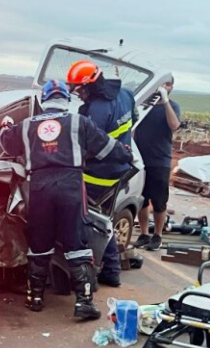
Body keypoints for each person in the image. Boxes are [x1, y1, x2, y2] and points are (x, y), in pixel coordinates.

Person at [0, 79, 133, 320]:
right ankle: (83, 303)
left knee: (39, 243)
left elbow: (6, 143)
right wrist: (125, 153)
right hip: (70, 185)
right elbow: (106, 148)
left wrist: (5, 125)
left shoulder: (27, 124)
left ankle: (35, 298)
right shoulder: (79, 122)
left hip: (39, 187)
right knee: (76, 242)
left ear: (44, 99)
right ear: (66, 100)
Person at [66, 60, 138, 287]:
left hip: (96, 175)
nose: (78, 94)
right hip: (119, 171)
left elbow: (86, 145)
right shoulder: (126, 94)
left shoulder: (97, 110)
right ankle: (112, 271)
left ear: (90, 85)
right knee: (104, 219)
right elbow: (133, 121)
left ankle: (93, 272)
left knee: (89, 221)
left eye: (79, 89)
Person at [133, 77, 181, 251]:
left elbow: (174, 125)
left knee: (159, 202)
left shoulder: (173, 106)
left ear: (171, 88)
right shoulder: (145, 106)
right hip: (141, 160)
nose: (164, 87)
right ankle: (144, 234)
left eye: (167, 85)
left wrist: (165, 100)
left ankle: (157, 236)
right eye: (162, 84)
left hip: (160, 161)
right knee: (142, 199)